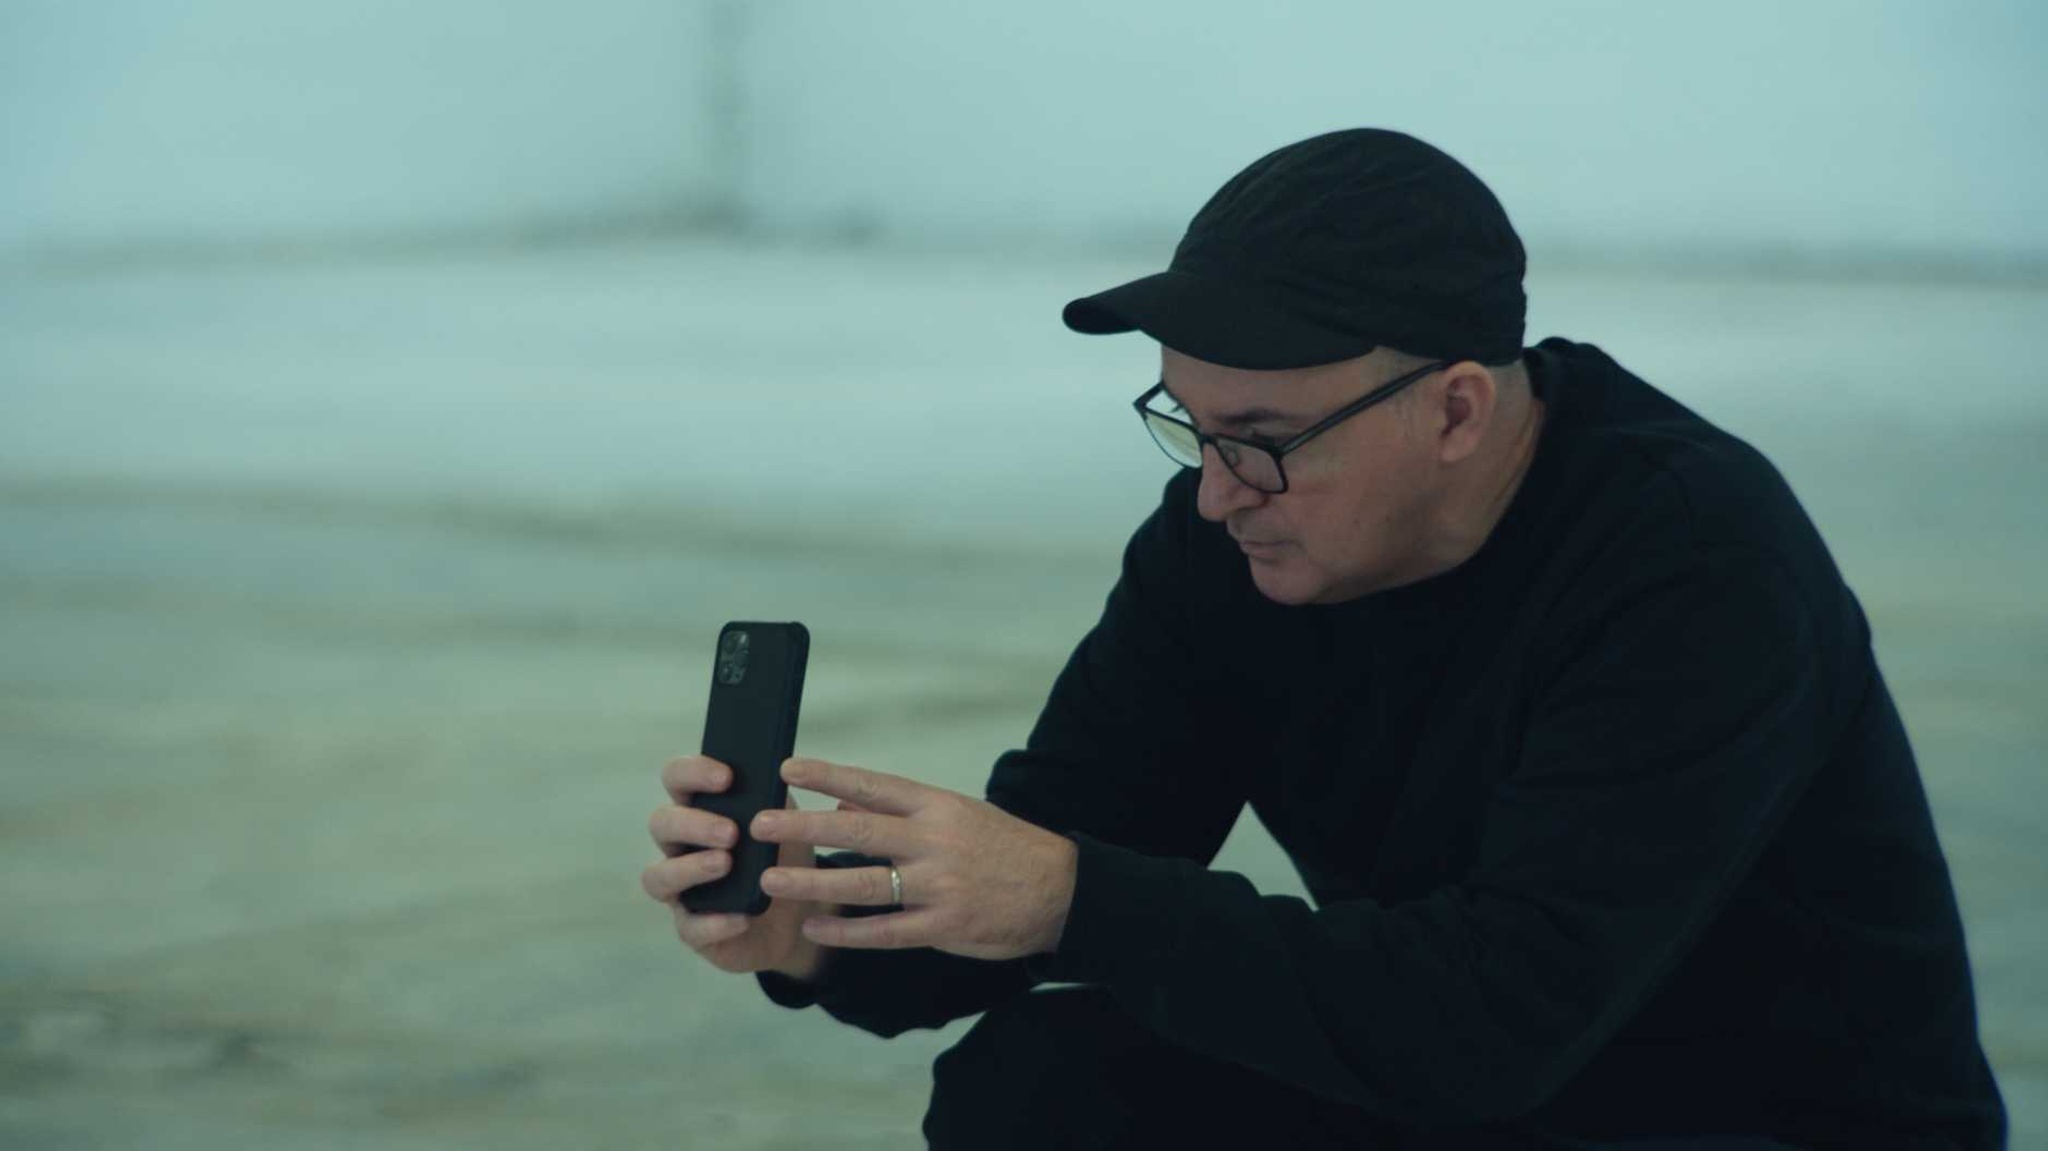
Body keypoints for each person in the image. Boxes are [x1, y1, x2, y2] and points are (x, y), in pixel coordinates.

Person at [640, 127, 2008, 1149]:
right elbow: (1073, 838)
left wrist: (1071, 892)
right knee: (1043, 1092)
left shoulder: (1694, 563)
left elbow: (1494, 1020)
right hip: (1487, 1079)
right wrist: (814, 938)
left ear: (1457, 411)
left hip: (1763, 1114)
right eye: (1187, 424)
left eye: (1268, 443)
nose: (1219, 489)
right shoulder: (1228, 537)